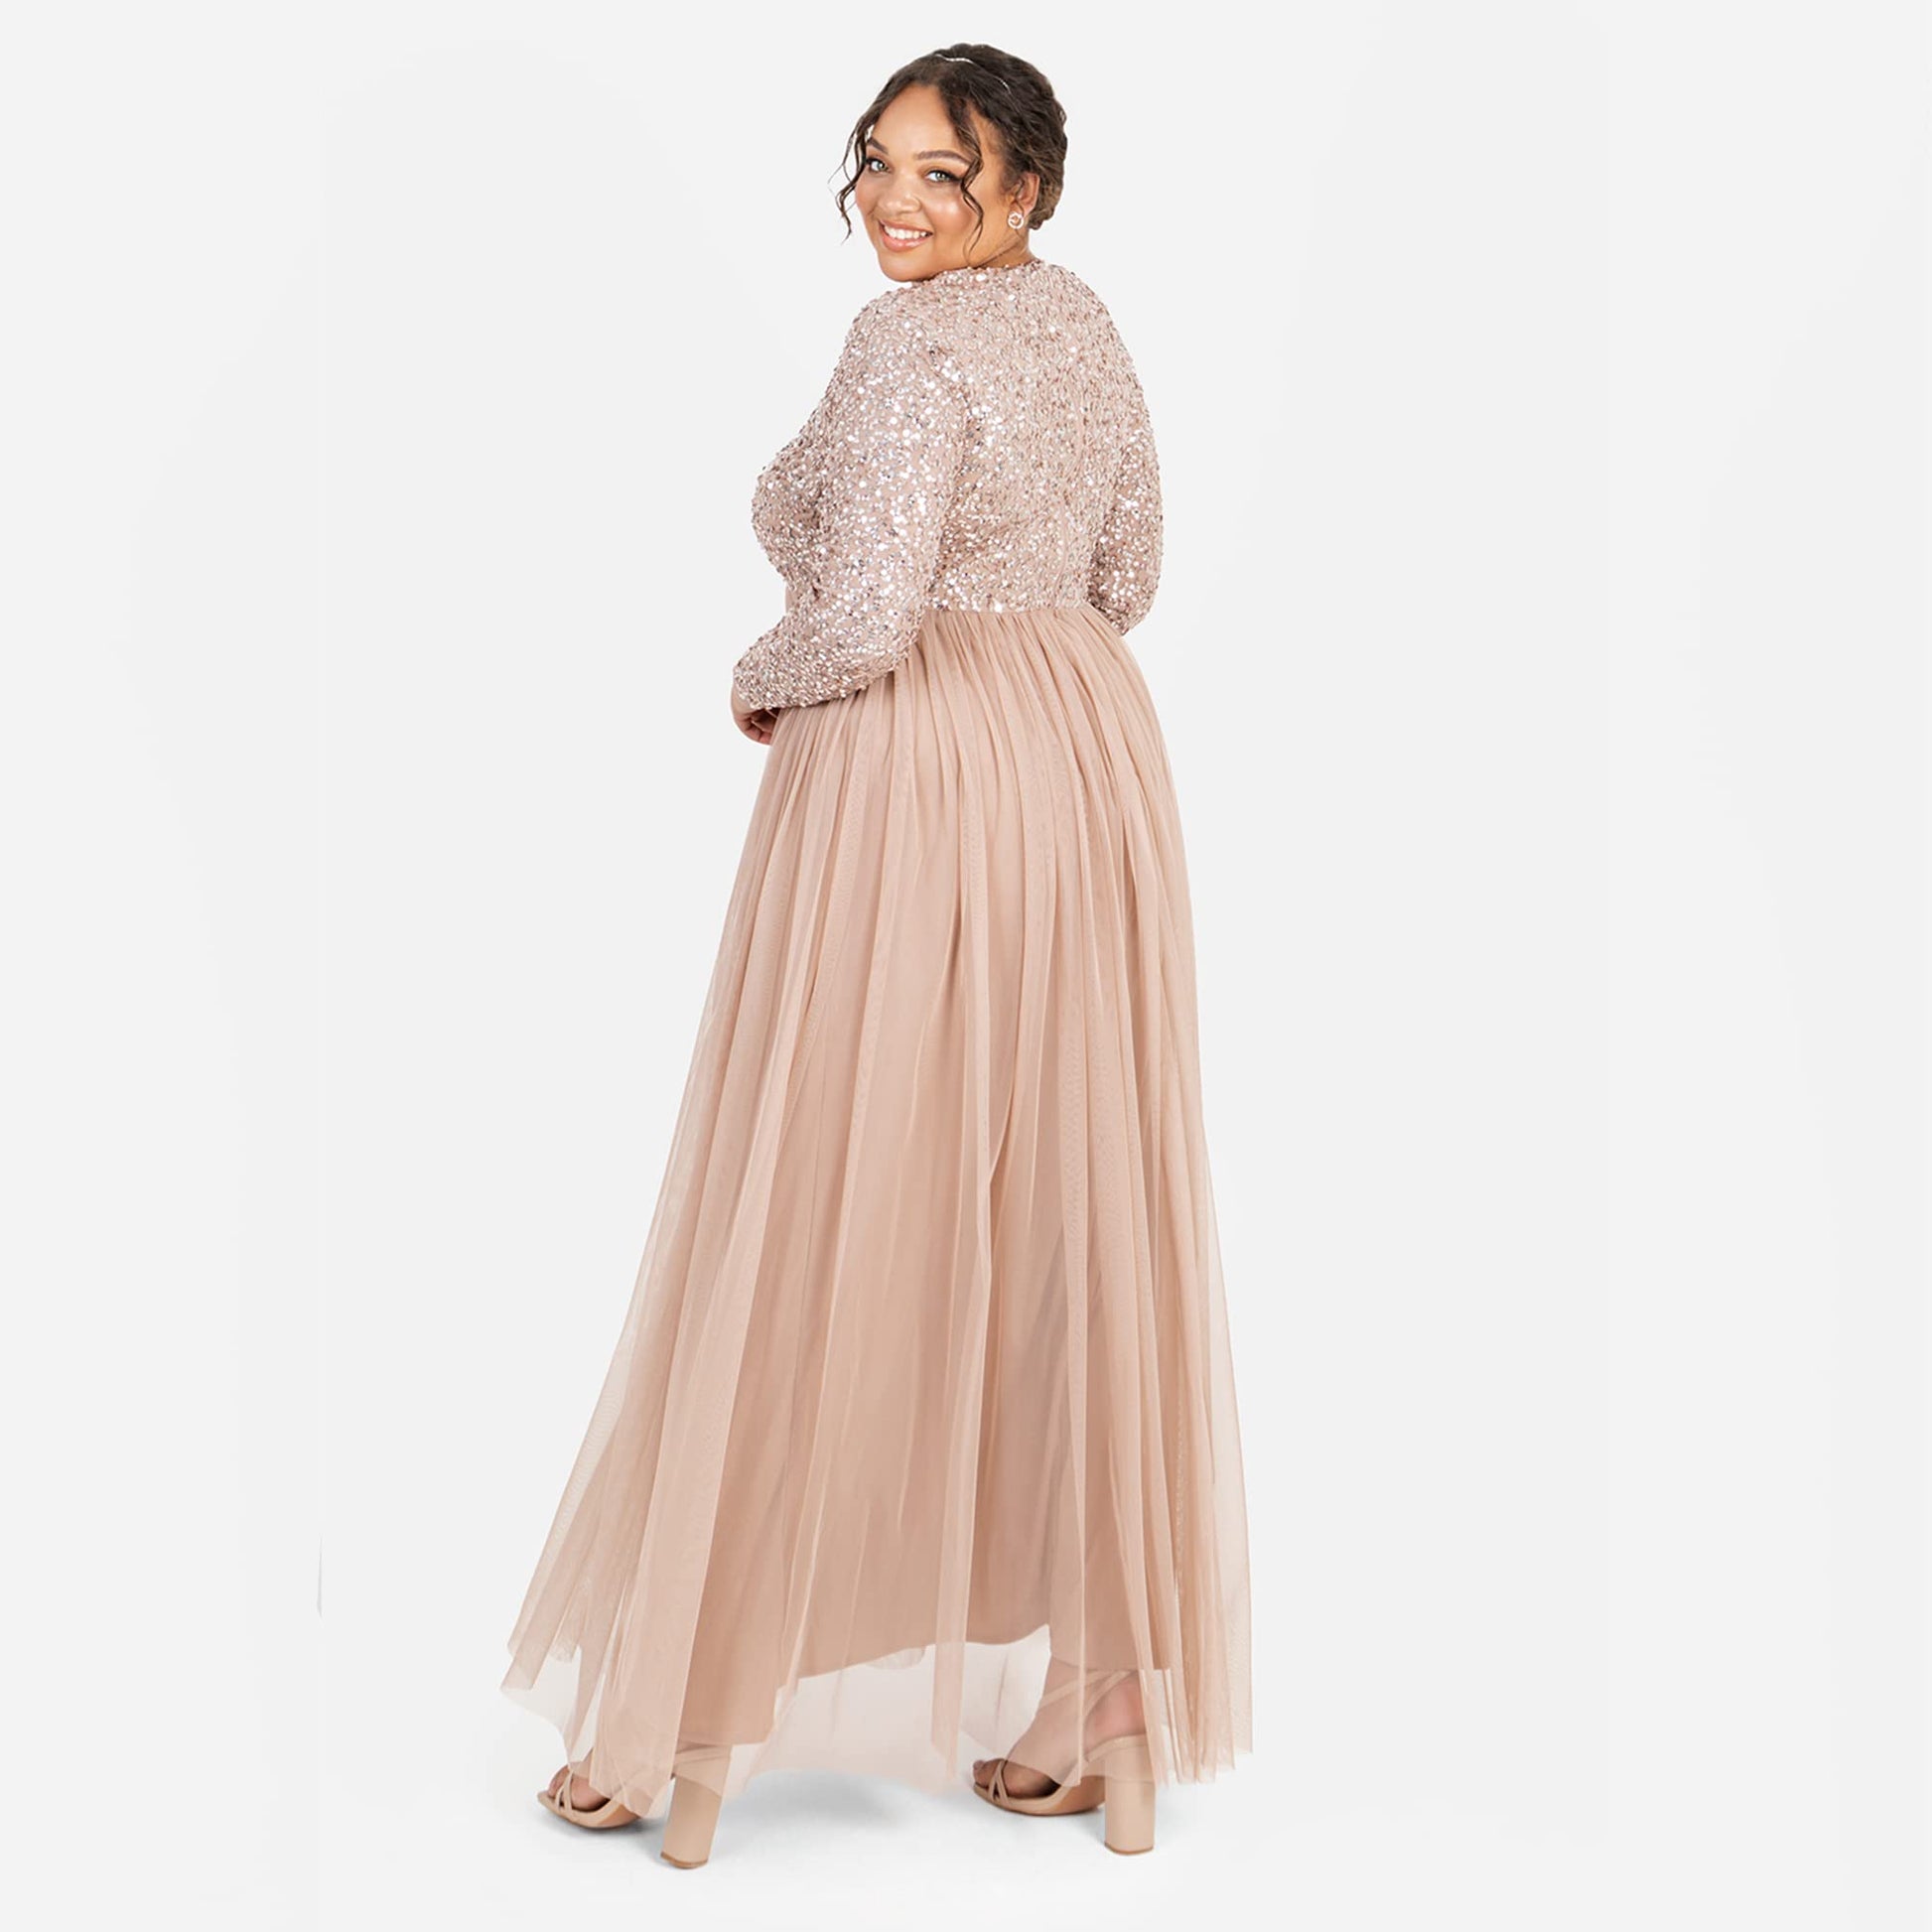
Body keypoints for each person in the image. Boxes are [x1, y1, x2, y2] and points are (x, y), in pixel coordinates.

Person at [503, 43, 1253, 1867]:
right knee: (1078, 1201)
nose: (895, 202)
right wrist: (1019, 650)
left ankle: (683, 1720)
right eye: (877, 163)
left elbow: (860, 610)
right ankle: (1106, 1715)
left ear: (1025, 190)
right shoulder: (1082, 322)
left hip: (915, 765)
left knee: (819, 1181)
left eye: (943, 172)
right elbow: (1130, 569)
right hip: (1086, 755)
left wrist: (754, 676)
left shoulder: (905, 346)